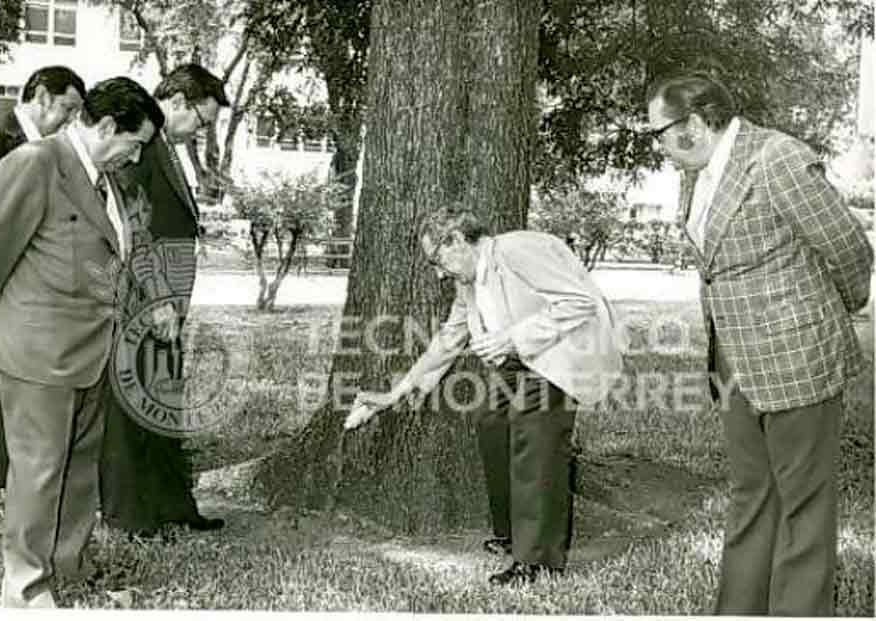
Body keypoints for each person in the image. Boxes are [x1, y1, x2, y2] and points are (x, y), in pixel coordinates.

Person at [645, 73, 873, 615]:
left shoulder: (778, 159)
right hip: (734, 363)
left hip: (798, 360)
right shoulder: (698, 174)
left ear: (697, 122)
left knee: (805, 507)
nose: (659, 145)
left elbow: (849, 250)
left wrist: (810, 322)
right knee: (751, 494)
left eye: (661, 132)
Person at [346, 207, 625, 586]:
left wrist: (511, 338)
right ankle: (514, 533)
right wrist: (394, 393)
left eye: (436, 260)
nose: (438, 273)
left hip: (562, 358)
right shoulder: (469, 281)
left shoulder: (517, 251)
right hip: (521, 361)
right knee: (490, 421)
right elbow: (449, 339)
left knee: (534, 438)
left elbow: (579, 302)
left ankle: (538, 562)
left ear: (457, 240)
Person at [0, 77, 166, 608]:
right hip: (36, 355)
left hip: (91, 353)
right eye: (134, 143)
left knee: (79, 470)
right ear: (106, 127)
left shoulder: (106, 181)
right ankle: (26, 588)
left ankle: (69, 570)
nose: (135, 156)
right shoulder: (35, 163)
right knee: (38, 473)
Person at [100, 63, 230, 538]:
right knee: (133, 413)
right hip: (143, 303)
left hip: (167, 308)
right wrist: (156, 301)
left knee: (162, 410)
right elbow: (135, 228)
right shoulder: (140, 148)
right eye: (200, 120)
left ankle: (173, 505)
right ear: (176, 101)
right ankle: (133, 517)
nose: (201, 130)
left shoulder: (165, 149)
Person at [0, 65, 86, 505]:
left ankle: (7, 485)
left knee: (5, 391)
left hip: (19, 294)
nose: (70, 121)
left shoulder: (54, 154)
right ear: (41, 95)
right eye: (67, 108)